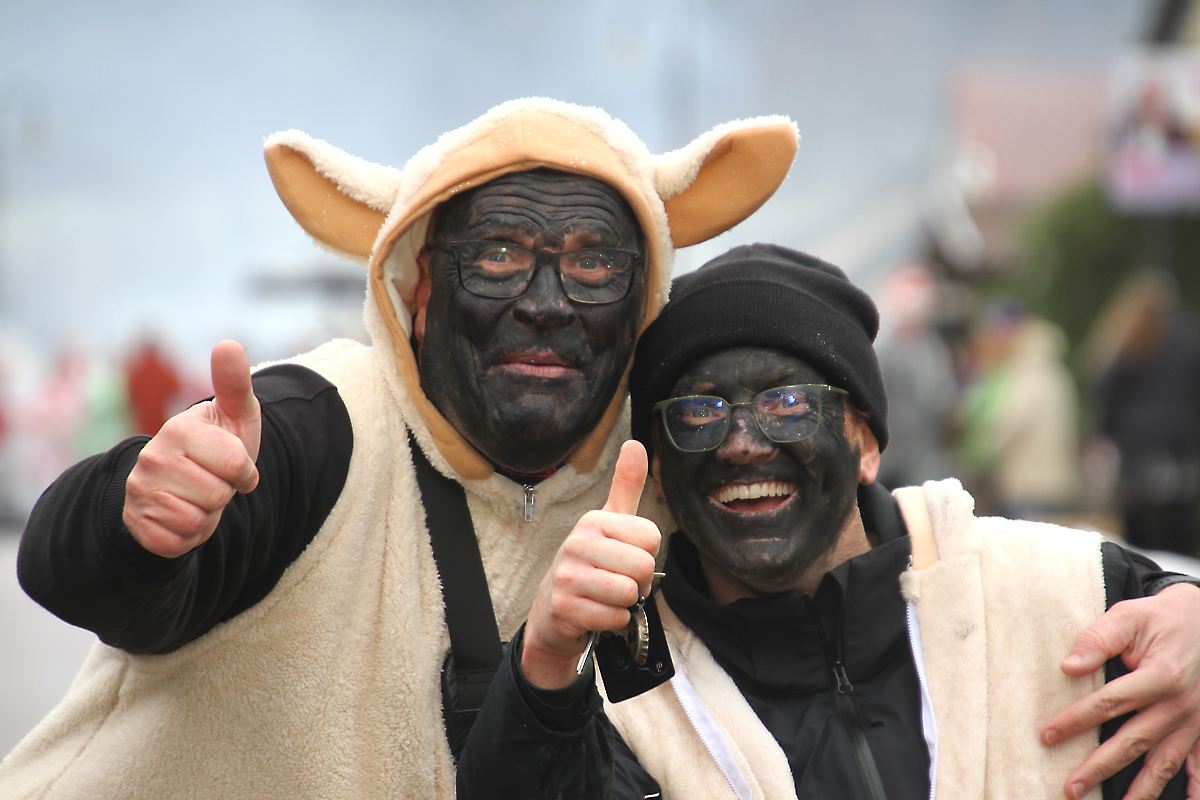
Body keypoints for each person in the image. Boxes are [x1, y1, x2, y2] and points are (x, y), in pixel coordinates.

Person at [0, 99, 800, 799]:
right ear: (419, 293)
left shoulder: (663, 481)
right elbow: (75, 576)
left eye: (593, 263)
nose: (548, 305)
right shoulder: (320, 426)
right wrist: (134, 514)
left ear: (641, 302)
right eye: (498, 256)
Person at [457, 244, 1200, 799]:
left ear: (866, 443)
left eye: (787, 402)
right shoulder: (627, 696)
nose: (744, 444)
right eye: (698, 411)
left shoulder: (1064, 596)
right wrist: (548, 665)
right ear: (663, 474)